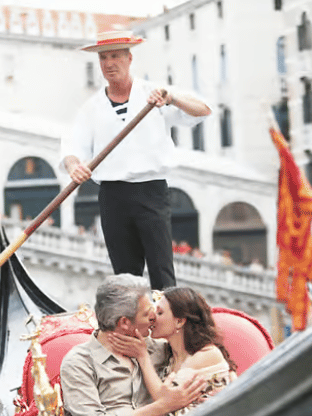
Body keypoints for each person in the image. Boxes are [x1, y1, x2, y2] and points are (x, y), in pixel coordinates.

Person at [61, 29, 211, 290]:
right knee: (125, 277)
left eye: (116, 56)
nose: (109, 64)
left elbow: (203, 110)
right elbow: (73, 146)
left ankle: (167, 324)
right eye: (104, 58)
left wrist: (171, 98)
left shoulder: (156, 95)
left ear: (129, 58)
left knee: (161, 271)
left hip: (150, 190)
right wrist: (75, 167)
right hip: (112, 195)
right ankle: (132, 326)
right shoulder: (91, 108)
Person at [58, 274, 207, 416]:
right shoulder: (79, 362)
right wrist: (161, 406)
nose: (153, 316)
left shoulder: (162, 349)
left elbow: (201, 347)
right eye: (147, 313)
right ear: (124, 322)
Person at [106, 287, 237, 416]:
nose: (153, 317)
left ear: (179, 322)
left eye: (160, 312)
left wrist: (142, 357)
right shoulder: (169, 352)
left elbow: (164, 400)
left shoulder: (207, 354)